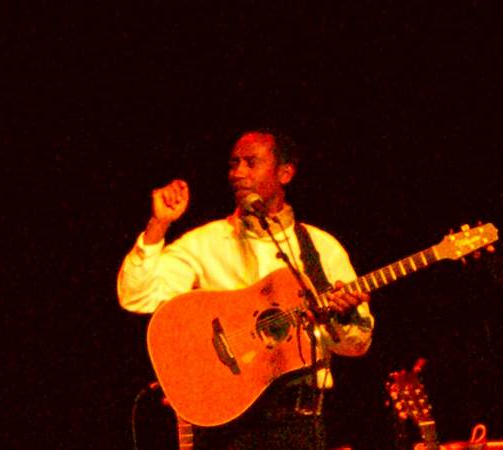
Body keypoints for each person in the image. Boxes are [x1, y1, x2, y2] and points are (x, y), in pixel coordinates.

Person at [117, 130, 375, 449]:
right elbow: (136, 295)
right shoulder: (206, 243)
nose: (238, 173)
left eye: (251, 163)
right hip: (228, 426)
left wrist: (343, 316)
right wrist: (159, 225)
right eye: (233, 164)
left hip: (298, 425)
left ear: (285, 173)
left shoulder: (321, 248)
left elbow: (357, 345)